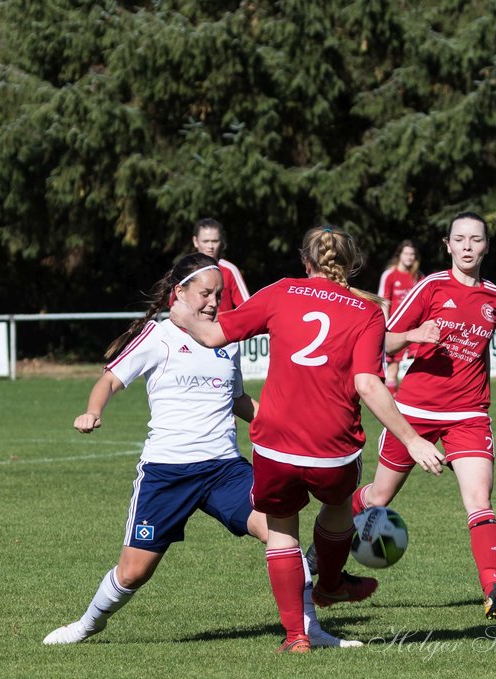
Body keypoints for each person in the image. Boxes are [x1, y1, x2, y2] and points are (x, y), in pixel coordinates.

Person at [44, 252, 349, 648]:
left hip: (224, 470)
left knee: (280, 534)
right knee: (134, 573)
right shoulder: (158, 336)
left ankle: (311, 630)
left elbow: (237, 400)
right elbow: (111, 379)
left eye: (218, 295)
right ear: (180, 292)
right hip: (167, 472)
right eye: (206, 293)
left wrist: (281, 421)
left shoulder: (225, 339)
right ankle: (86, 625)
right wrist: (92, 410)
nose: (213, 302)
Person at [170, 226, 444, 653]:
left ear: (305, 261)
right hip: (333, 446)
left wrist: (182, 314)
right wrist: (412, 440)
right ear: (352, 265)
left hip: (275, 441)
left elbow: (212, 335)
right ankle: (330, 584)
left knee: (282, 534)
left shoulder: (281, 292)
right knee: (336, 511)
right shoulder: (367, 311)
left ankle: (297, 637)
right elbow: (369, 385)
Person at [352, 212, 496, 619]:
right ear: (447, 245)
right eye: (459, 239)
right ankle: (328, 540)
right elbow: (383, 341)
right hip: (413, 412)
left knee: (479, 499)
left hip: (469, 414)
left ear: (486, 246)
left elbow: (478, 353)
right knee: (379, 496)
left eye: (475, 239)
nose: (467, 246)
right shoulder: (430, 286)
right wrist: (413, 335)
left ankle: (492, 589)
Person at [377, 240, 421, 392]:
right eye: (407, 253)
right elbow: (384, 301)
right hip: (395, 330)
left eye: (412, 254)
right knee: (393, 369)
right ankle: (392, 403)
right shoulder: (390, 275)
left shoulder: (418, 276)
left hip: (415, 331)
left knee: (420, 368)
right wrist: (386, 326)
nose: (409, 257)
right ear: (400, 255)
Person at [192, 218, 250, 312]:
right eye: (205, 241)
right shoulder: (185, 270)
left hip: (222, 326)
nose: (210, 246)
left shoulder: (230, 270)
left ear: (221, 242)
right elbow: (174, 305)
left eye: (215, 241)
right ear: (195, 241)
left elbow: (247, 307)